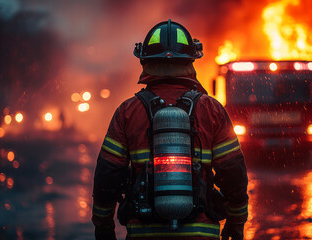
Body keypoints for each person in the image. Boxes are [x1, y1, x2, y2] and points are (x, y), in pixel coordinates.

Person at [92, 20, 249, 240]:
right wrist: (236, 220)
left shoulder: (127, 112)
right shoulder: (212, 109)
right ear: (191, 61)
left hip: (144, 233)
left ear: (144, 61)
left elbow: (107, 176)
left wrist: (103, 225)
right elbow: (233, 173)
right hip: (201, 234)